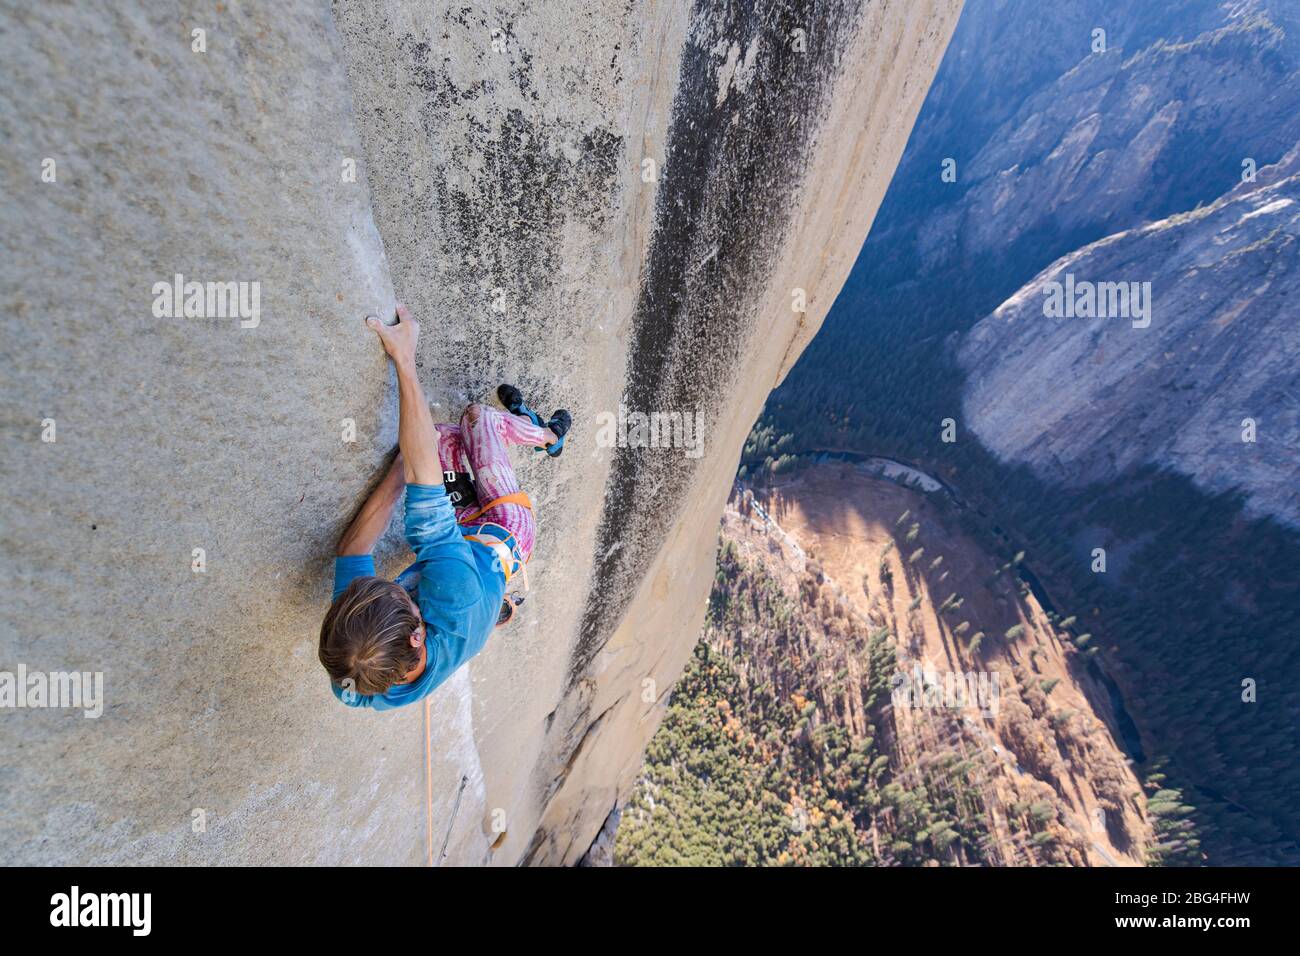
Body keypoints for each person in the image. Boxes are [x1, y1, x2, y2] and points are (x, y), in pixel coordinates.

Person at [318, 304, 571, 710]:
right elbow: (424, 473)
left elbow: (352, 552)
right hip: (503, 534)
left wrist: (399, 469)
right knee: (475, 421)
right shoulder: (455, 594)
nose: (390, 583)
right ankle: (549, 436)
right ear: (417, 635)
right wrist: (404, 358)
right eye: (399, 593)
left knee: (439, 440)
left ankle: (496, 607)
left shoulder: (354, 678)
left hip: (462, 552)